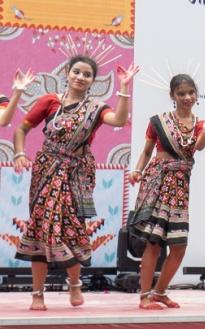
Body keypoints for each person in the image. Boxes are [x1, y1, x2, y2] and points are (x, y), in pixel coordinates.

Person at [12, 54, 138, 310]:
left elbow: (119, 120)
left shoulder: (97, 107)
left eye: (87, 74)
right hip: (46, 170)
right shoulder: (49, 101)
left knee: (72, 229)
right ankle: (37, 294)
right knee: (41, 227)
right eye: (77, 72)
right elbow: (21, 130)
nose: (81, 77)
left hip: (77, 175)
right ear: (67, 73)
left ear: (93, 80)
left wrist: (124, 88)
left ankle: (75, 284)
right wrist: (20, 153)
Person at [126, 74, 205, 309]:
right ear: (172, 95)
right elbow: (147, 151)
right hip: (158, 182)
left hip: (180, 187)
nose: (187, 97)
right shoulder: (158, 121)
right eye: (181, 93)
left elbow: (198, 147)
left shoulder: (199, 124)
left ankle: (160, 292)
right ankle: (144, 296)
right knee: (154, 242)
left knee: (179, 245)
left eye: (191, 92)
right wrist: (138, 170)